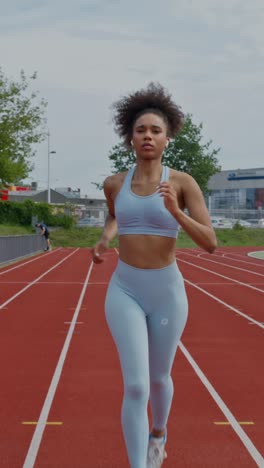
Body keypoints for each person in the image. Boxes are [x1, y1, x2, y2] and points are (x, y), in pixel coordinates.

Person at [92, 83, 217, 468]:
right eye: (141, 130)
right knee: (135, 385)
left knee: (160, 378)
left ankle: (158, 433)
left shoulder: (182, 183)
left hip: (166, 291)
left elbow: (210, 242)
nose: (148, 136)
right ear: (130, 137)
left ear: (167, 138)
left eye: (155, 130)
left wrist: (177, 213)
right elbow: (117, 214)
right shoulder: (115, 183)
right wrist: (105, 238)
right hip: (125, 288)